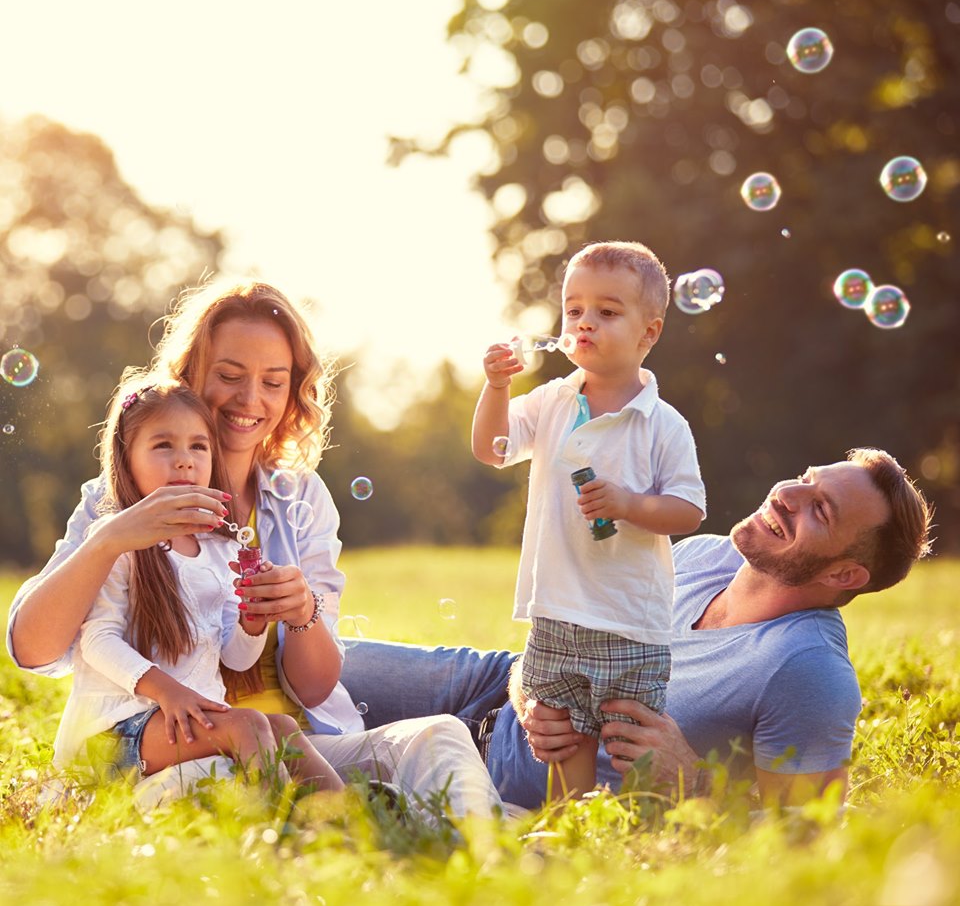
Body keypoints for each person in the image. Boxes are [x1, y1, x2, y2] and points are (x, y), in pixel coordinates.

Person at [7, 278, 500, 818]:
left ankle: (484, 858)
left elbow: (311, 688)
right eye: (229, 375)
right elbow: (33, 650)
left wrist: (298, 612)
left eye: (274, 381)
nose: (250, 400)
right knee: (237, 794)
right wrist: (109, 538)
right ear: (190, 375)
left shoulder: (300, 497)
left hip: (298, 743)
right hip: (171, 749)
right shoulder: (123, 498)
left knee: (440, 737)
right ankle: (352, 831)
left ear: (293, 391)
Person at [338, 448, 933, 808]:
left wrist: (695, 782)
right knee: (302, 660)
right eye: (806, 478)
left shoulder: (808, 671)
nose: (787, 494)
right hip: (494, 684)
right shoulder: (704, 555)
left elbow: (806, 839)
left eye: (820, 509)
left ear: (846, 573)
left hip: (514, 775)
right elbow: (572, 628)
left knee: (296, 756)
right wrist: (528, 684)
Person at [472, 241, 706, 798]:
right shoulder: (552, 401)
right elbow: (491, 447)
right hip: (556, 607)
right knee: (562, 735)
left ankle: (647, 828)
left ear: (649, 333)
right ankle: (572, 826)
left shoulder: (661, 424)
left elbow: (689, 510)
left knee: (632, 740)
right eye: (574, 310)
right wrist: (497, 387)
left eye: (607, 311)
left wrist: (628, 505)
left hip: (629, 618)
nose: (584, 323)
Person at [57, 380, 342, 791]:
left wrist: (252, 623)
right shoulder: (116, 539)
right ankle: (284, 827)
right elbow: (96, 641)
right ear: (126, 458)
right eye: (163, 446)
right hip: (114, 731)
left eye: (198, 447)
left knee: (281, 728)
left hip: (184, 720)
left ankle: (348, 818)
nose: (185, 461)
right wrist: (169, 692)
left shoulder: (215, 549)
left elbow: (236, 659)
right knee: (246, 724)